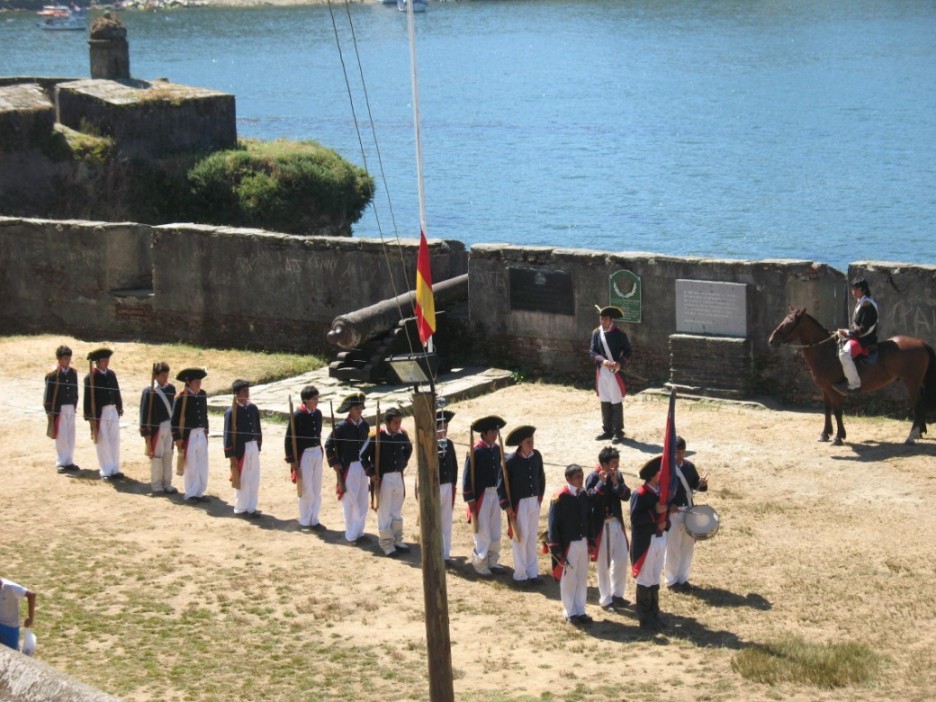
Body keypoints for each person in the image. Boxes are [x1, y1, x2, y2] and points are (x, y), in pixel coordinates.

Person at [361, 407, 414, 556]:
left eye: (399, 422)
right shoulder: (376, 436)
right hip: (382, 478)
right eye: (395, 423)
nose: (398, 425)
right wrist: (371, 473)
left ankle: (397, 539)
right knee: (384, 511)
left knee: (396, 509)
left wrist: (403, 463)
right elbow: (362, 456)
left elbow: (408, 449)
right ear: (388, 423)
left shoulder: (402, 434)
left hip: (397, 476)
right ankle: (386, 543)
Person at [585, 446, 632, 611]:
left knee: (621, 559)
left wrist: (616, 483)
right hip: (602, 525)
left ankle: (617, 594)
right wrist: (602, 483)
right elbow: (590, 498)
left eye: (617, 462)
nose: (616, 466)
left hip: (616, 522)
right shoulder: (593, 476)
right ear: (604, 464)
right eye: (613, 463)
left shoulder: (617, 475)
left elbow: (626, 496)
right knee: (603, 564)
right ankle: (605, 599)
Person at [499, 425, 546, 585]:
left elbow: (541, 477)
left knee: (531, 537)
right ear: (520, 443)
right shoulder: (510, 461)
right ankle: (520, 574)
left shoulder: (536, 456)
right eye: (527, 441)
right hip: (519, 504)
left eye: (532, 440)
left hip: (534, 501)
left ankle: (532, 572)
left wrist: (539, 497)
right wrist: (507, 506)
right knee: (521, 537)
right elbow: (501, 486)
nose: (531, 443)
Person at [547, 464, 593, 626]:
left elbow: (588, 518)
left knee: (581, 577)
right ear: (568, 478)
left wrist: (590, 540)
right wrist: (556, 548)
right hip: (569, 544)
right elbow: (553, 524)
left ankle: (580, 610)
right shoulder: (560, 497)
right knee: (569, 580)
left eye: (582, 476)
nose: (581, 479)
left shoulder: (583, 495)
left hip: (582, 541)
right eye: (577, 477)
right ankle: (570, 611)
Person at [463, 415, 507, 576]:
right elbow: (467, 477)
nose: (495, 435)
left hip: (495, 493)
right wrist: (470, 499)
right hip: (482, 495)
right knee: (483, 531)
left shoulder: (496, 449)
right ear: (484, 433)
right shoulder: (476, 451)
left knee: (495, 529)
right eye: (492, 432)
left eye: (496, 432)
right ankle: (480, 562)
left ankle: (492, 560)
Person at [664, 436, 709, 592]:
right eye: (677, 452)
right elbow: (660, 491)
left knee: (687, 547)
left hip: (688, 510)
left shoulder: (689, 467)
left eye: (682, 452)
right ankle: (671, 580)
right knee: (673, 547)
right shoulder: (665, 468)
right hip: (673, 513)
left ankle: (683, 579)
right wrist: (669, 505)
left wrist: (702, 483)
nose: (679, 455)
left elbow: (695, 486)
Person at [630, 456, 669, 631]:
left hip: (659, 539)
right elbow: (636, 519)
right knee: (645, 579)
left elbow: (666, 515)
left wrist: (665, 524)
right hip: (647, 542)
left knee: (654, 578)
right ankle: (645, 618)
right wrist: (655, 512)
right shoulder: (640, 494)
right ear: (653, 475)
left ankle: (654, 614)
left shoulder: (661, 492)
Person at [325, 392, 370, 544]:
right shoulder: (341, 427)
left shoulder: (364, 425)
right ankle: (351, 534)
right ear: (350, 409)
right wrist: (335, 463)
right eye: (357, 408)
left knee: (363, 500)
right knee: (350, 501)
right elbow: (329, 445)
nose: (360, 410)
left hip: (363, 466)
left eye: (361, 407)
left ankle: (360, 532)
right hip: (349, 467)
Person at [285, 385, 326, 533]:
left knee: (316, 487)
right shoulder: (297, 415)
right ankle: (305, 519)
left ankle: (314, 518)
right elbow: (288, 439)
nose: (317, 401)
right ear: (306, 400)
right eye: (314, 399)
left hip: (316, 452)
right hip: (305, 454)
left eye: (317, 398)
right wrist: (292, 460)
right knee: (306, 487)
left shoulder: (318, 414)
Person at [590, 305, 632, 444]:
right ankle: (607, 430)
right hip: (602, 371)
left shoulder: (619, 334)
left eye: (605, 319)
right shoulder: (596, 333)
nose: (603, 321)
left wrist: (619, 363)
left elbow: (628, 352)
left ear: (611, 320)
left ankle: (618, 432)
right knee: (605, 399)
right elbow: (592, 352)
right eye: (601, 319)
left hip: (615, 372)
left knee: (616, 400)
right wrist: (603, 361)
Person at [224, 379, 263, 518]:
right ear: (236, 393)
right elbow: (227, 434)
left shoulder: (253, 408)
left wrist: (258, 444)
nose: (247, 393)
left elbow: (257, 427)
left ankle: (251, 507)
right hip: (242, 449)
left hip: (253, 446)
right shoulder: (231, 412)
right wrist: (231, 454)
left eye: (247, 390)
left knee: (254, 478)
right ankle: (241, 508)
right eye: (244, 391)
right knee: (243, 479)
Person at [83, 348, 123, 480]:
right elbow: (87, 398)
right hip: (100, 413)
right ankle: (106, 470)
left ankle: (115, 468)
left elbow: (116, 391)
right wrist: (89, 416)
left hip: (113, 410)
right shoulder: (91, 377)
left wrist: (119, 407)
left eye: (107, 360)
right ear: (98, 362)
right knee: (103, 441)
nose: (106, 362)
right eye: (104, 360)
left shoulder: (111, 374)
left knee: (114, 439)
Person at [834, 278, 880, 395]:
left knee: (844, 354)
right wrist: (846, 331)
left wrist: (847, 333)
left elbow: (863, 329)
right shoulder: (861, 302)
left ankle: (854, 385)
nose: (853, 291)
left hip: (864, 339)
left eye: (856, 289)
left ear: (863, 290)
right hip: (859, 336)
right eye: (852, 289)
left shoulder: (867, 305)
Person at [172, 368, 210, 504]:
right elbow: (174, 420)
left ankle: (200, 492)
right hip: (189, 436)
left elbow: (204, 414)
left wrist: (206, 431)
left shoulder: (202, 394)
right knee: (191, 465)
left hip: (201, 433)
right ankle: (191, 493)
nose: (199, 383)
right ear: (189, 383)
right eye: (196, 381)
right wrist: (178, 438)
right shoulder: (181, 397)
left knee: (202, 464)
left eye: (199, 381)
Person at [139, 362, 178, 495]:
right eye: (162, 376)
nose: (165, 378)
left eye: (166, 375)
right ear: (155, 376)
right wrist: (145, 432)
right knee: (156, 456)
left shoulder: (171, 389)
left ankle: (167, 483)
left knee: (168, 455)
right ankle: (156, 485)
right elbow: (144, 413)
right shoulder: (149, 391)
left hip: (169, 426)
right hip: (156, 428)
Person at [44, 345, 79, 474]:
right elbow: (48, 395)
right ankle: (61, 462)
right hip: (59, 408)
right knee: (62, 436)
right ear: (59, 359)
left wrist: (74, 405)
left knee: (70, 435)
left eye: (68, 358)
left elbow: (75, 390)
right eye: (65, 358)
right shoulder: (53, 374)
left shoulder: (72, 372)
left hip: (70, 407)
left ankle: (69, 461)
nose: (67, 361)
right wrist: (50, 412)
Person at [437, 410, 458, 564]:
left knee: (446, 520)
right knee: (436, 521)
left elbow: (454, 465)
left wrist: (453, 483)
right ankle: (437, 552)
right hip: (435, 487)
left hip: (448, 485)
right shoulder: (430, 443)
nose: (444, 431)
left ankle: (446, 553)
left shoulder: (449, 444)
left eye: (446, 427)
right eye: (441, 427)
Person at [0, 576, 36, 651]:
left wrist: (30, 617)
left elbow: (31, 595)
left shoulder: (10, 587)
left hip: (10, 627)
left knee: (11, 651)